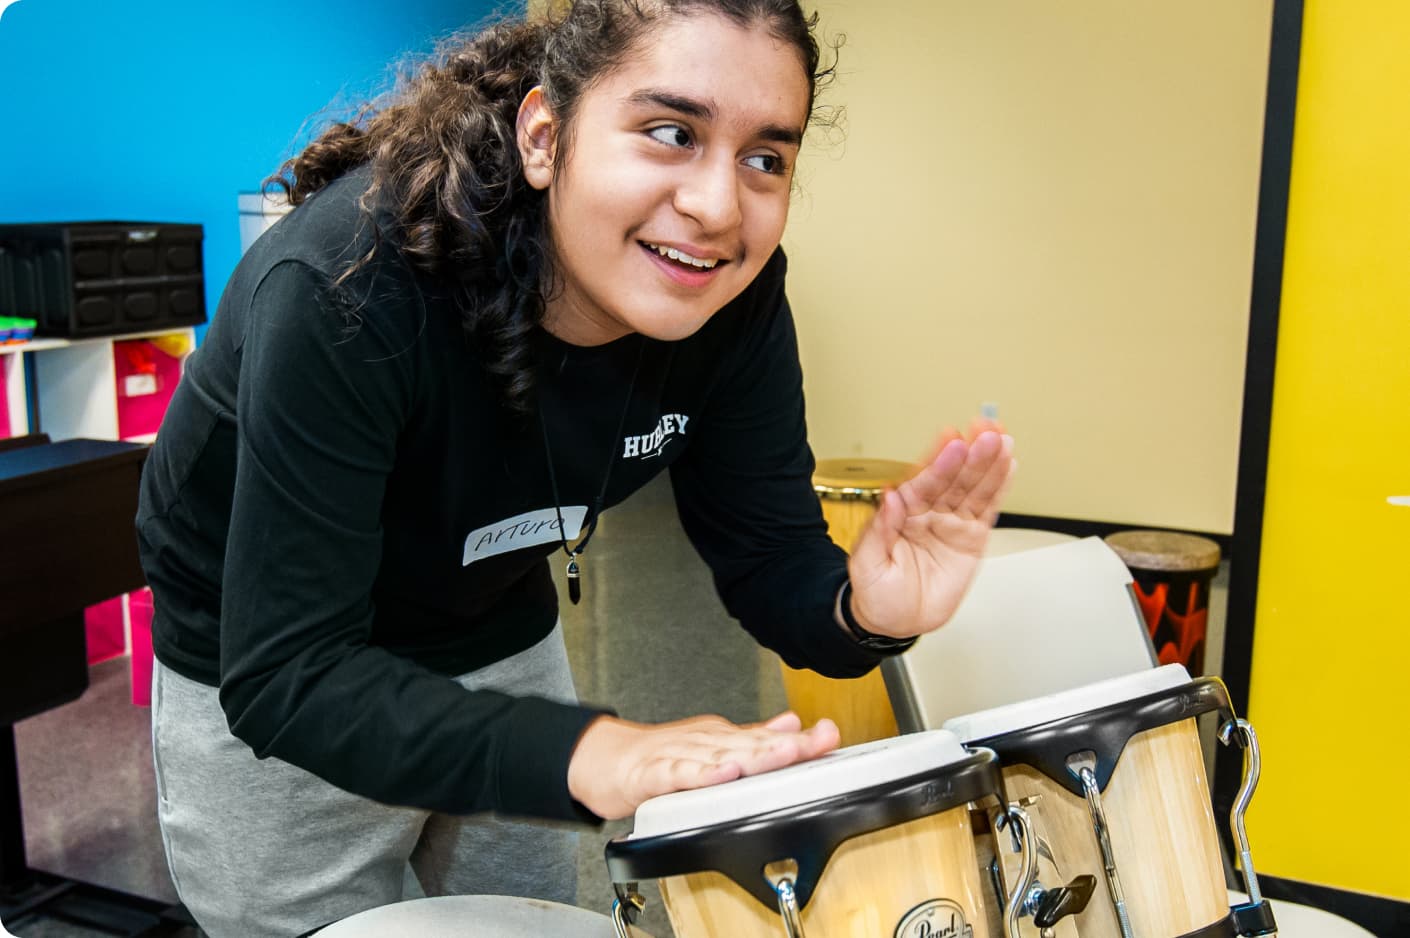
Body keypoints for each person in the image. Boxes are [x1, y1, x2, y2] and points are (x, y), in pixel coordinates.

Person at [135, 1, 1015, 934]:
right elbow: (289, 675)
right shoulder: (349, 288)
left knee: (541, 919)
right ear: (545, 136)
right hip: (279, 656)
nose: (717, 208)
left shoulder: (734, 301)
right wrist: (584, 753)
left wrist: (864, 612)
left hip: (489, 618)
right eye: (671, 132)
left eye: (765, 158)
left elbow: (770, 553)